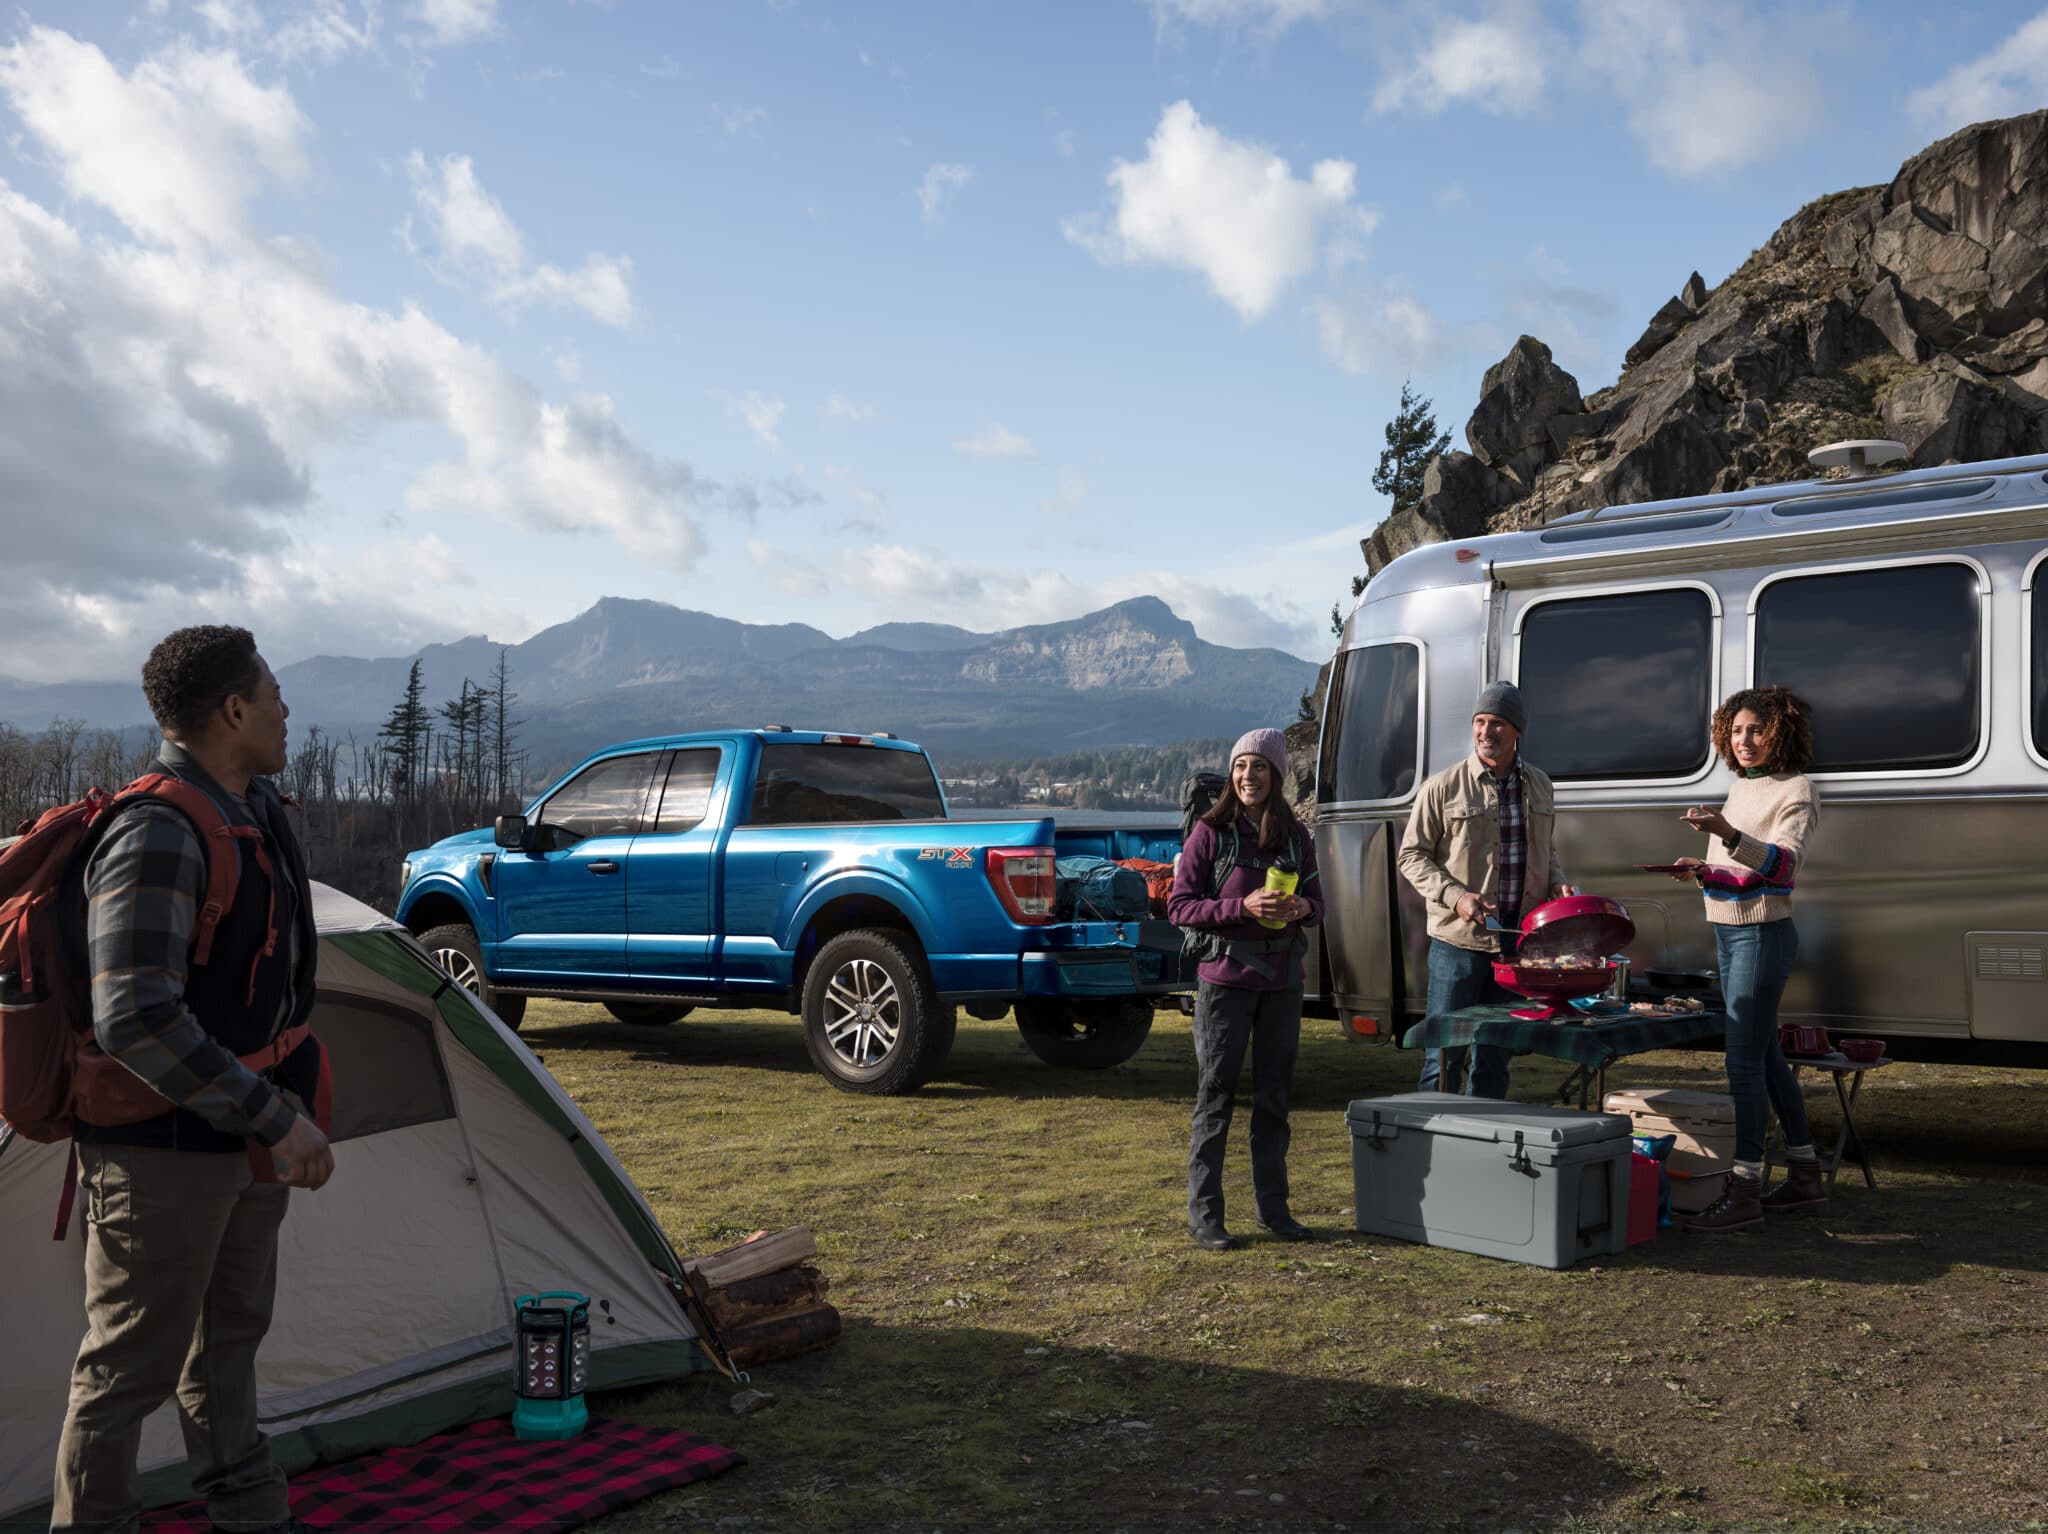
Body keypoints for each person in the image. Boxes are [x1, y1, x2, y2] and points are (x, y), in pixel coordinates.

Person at [53, 626, 330, 1534]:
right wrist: (272, 1116)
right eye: (274, 693)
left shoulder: (252, 810)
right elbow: (133, 1014)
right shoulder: (159, 830)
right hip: (159, 1153)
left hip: (240, 1137)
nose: (287, 709)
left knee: (226, 1348)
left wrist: (274, 1111)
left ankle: (252, 1515)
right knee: (127, 1370)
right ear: (234, 710)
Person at [1666, 684, 1822, 1233]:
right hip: (1730, 934)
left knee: (1742, 1062)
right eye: (1736, 731)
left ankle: (1746, 1189)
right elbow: (1740, 874)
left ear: (1779, 732)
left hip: (1763, 935)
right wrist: (1701, 869)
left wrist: (1726, 833)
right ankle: (1805, 1175)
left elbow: (1782, 868)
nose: (1744, 740)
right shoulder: (1740, 788)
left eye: (1756, 729)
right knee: (1766, 1057)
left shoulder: (1797, 790)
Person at [1168, 728, 1323, 1251]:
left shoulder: (1297, 836)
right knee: (1215, 1099)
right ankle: (1205, 1216)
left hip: (1282, 985)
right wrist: (1243, 907)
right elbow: (1180, 906)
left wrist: (1303, 907)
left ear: (1276, 775)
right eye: (1240, 766)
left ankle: (1274, 1211)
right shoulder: (1211, 833)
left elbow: (1319, 903)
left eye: (1258, 766)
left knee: (1274, 1100)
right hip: (1224, 985)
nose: (1247, 776)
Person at [1396, 682, 1573, 1099]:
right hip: (1458, 944)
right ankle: (1432, 1130)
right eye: (1480, 721)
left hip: (1517, 942)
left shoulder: (1541, 785)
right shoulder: (1442, 787)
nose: (1485, 731)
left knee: (1495, 1055)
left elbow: (1545, 849)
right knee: (1444, 1054)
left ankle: (1485, 1132)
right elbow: (1411, 857)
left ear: (1517, 731)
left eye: (1497, 723)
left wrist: (1556, 881)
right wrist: (1456, 897)